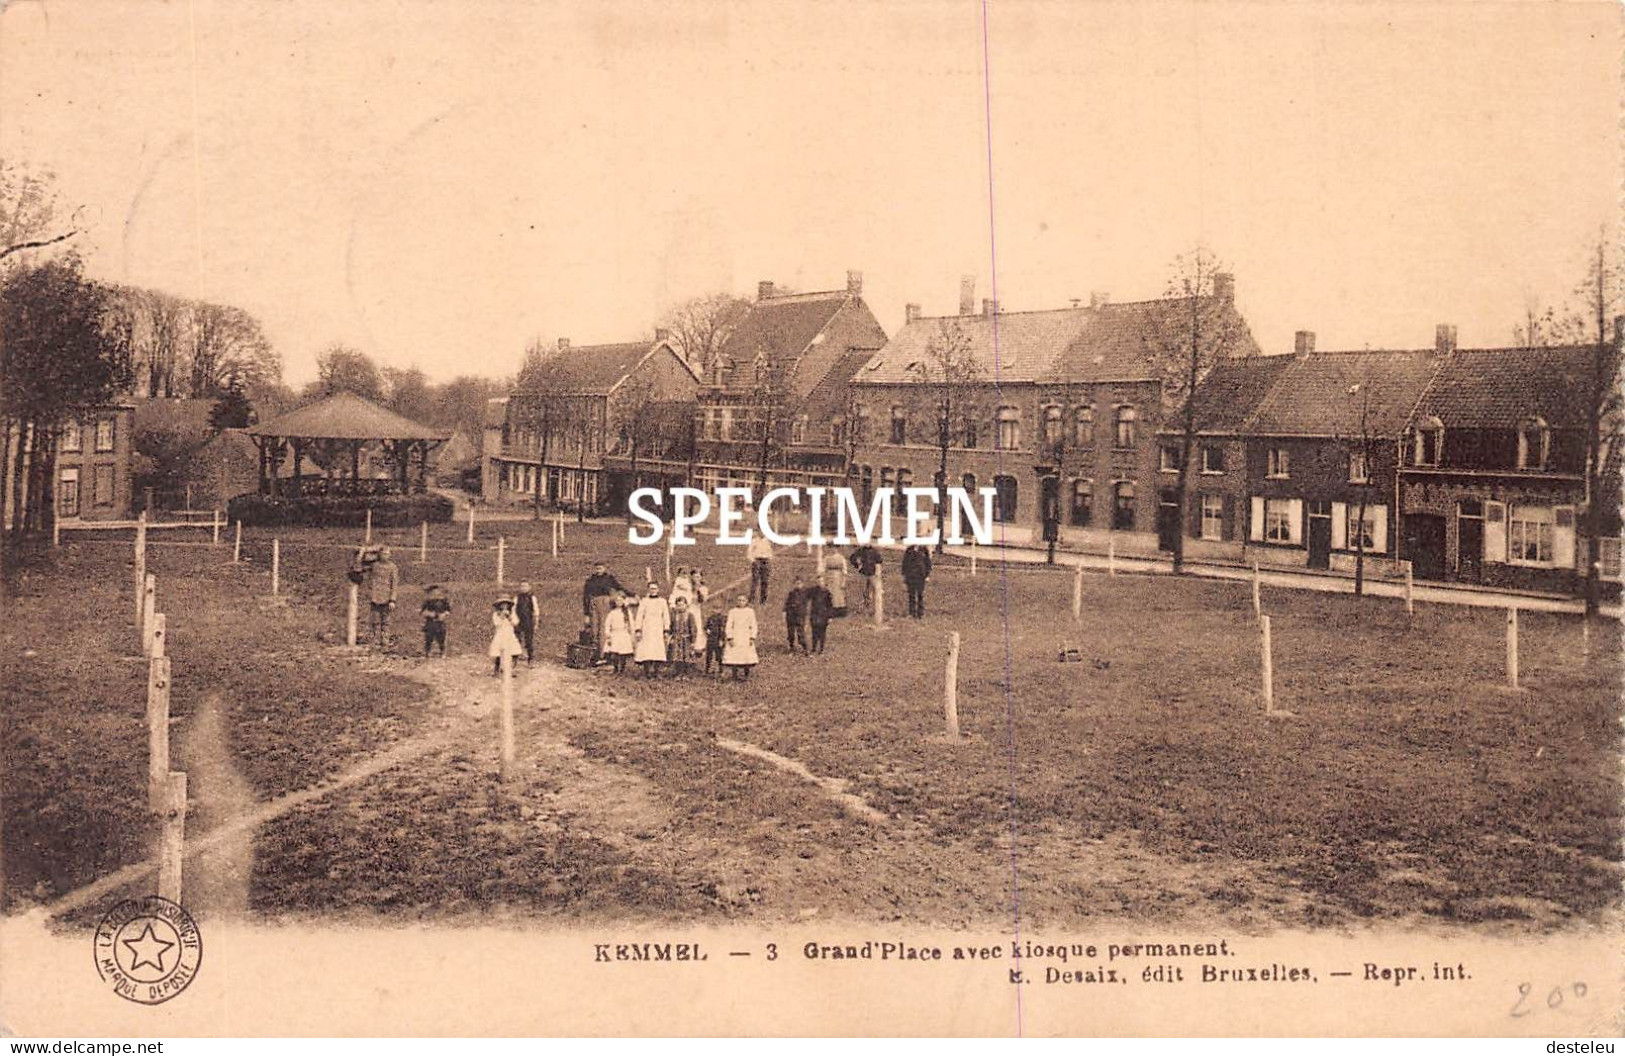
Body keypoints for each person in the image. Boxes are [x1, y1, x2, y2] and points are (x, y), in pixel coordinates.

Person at [582, 562, 625, 664]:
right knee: (594, 629)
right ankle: (595, 655)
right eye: (597, 569)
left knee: (603, 629)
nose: (598, 570)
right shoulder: (591, 580)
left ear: (604, 568)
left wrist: (632, 594)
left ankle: (605, 655)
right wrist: (586, 614)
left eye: (600, 568)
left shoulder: (609, 578)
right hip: (594, 605)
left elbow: (620, 588)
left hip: (605, 604)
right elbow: (585, 596)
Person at [631, 581, 670, 678]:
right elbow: (639, 616)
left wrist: (666, 629)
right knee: (646, 650)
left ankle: (657, 672)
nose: (653, 591)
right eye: (651, 588)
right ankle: (647, 672)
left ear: (658, 590)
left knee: (657, 650)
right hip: (647, 628)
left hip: (658, 628)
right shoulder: (644, 601)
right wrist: (638, 629)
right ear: (648, 589)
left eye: (655, 588)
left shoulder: (662, 601)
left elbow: (666, 616)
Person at [365, 546, 400, 647]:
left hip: (386, 598)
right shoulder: (375, 566)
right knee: (374, 620)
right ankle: (374, 640)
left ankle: (385, 640)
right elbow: (366, 562)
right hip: (375, 597)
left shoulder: (393, 567)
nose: (385, 556)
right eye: (383, 554)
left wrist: (392, 600)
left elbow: (394, 585)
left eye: (387, 554)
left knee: (386, 621)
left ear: (390, 555)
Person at [722, 595, 759, 681]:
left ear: (746, 602)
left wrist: (752, 637)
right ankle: (734, 675)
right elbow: (729, 625)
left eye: (743, 600)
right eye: (739, 600)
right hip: (736, 635)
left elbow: (753, 625)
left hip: (745, 636)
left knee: (746, 656)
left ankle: (746, 674)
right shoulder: (732, 612)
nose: (741, 602)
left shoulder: (750, 612)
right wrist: (730, 637)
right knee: (734, 655)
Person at [667, 595, 705, 678]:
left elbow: (693, 629)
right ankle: (678, 673)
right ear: (676, 606)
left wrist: (693, 641)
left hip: (686, 639)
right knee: (677, 657)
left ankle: (686, 674)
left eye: (682, 605)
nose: (680, 607)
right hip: (677, 639)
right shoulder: (674, 616)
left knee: (686, 657)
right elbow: (671, 627)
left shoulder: (690, 615)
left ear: (686, 605)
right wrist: (671, 637)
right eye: (678, 605)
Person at [488, 597, 523, 676]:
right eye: (502, 604)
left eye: (506, 604)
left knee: (515, 652)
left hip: (509, 634)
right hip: (500, 634)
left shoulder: (512, 613)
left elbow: (516, 622)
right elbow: (497, 623)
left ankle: (510, 669)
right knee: (498, 653)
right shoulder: (496, 614)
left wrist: (509, 617)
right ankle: (496, 671)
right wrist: (502, 616)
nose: (504, 606)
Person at [601, 595, 635, 674]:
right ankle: (616, 668)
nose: (619, 602)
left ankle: (622, 669)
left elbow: (632, 623)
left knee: (623, 653)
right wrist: (608, 634)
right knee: (614, 653)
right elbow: (607, 624)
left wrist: (632, 633)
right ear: (615, 602)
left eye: (621, 600)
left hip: (624, 634)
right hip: (615, 634)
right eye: (617, 600)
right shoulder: (612, 613)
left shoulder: (627, 612)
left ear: (623, 601)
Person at [419, 584, 452, 658]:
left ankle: (442, 651)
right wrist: (430, 614)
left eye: (438, 593)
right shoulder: (428, 602)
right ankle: (428, 651)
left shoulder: (444, 602)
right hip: (430, 622)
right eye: (433, 593)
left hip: (440, 623)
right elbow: (422, 611)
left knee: (441, 638)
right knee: (429, 638)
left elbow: (448, 611)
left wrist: (444, 615)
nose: (436, 595)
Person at [849, 543, 882, 614]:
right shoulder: (860, 551)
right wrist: (857, 565)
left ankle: (874, 608)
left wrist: (877, 573)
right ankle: (864, 608)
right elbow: (852, 558)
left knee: (874, 591)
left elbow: (879, 561)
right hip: (863, 574)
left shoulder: (874, 551)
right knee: (864, 591)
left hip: (872, 574)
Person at [902, 544, 933, 619]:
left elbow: (928, 563)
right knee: (911, 595)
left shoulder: (924, 549)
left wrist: (927, 575)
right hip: (911, 575)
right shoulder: (909, 550)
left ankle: (920, 613)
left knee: (920, 594)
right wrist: (904, 575)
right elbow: (905, 563)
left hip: (921, 575)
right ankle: (911, 612)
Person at [782, 576, 810, 655]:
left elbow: (806, 606)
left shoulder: (805, 593)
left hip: (800, 615)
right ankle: (791, 648)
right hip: (791, 615)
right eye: (796, 583)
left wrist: (806, 615)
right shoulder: (791, 593)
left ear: (802, 584)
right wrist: (784, 612)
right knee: (790, 632)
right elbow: (786, 604)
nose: (798, 585)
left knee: (801, 632)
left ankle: (805, 648)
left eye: (799, 583)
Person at [807, 579, 834, 654]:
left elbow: (830, 606)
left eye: (822, 581)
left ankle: (821, 649)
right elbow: (806, 595)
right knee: (814, 633)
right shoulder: (814, 591)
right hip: (815, 615)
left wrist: (830, 617)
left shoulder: (827, 593)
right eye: (818, 581)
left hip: (823, 616)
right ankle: (814, 648)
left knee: (822, 633)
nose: (820, 583)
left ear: (824, 583)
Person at [514, 581, 538, 663]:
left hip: (528, 621)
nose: (523, 588)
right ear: (519, 588)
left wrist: (536, 622)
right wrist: (514, 620)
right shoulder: (517, 598)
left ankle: (530, 658)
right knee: (516, 640)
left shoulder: (532, 598)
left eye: (525, 586)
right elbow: (513, 609)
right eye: (522, 586)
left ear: (529, 587)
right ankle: (515, 658)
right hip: (518, 621)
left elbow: (536, 610)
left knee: (529, 640)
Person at [747, 534, 773, 603]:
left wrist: (768, 560)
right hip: (757, 561)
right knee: (755, 581)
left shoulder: (767, 541)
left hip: (765, 561)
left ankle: (763, 600)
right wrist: (753, 561)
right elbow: (749, 552)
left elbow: (770, 552)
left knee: (765, 581)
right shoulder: (754, 541)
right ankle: (752, 599)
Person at [822, 547, 848, 617]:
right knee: (830, 594)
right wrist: (824, 580)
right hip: (829, 577)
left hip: (838, 578)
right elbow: (823, 569)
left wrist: (843, 582)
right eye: (831, 548)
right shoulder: (827, 558)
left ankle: (840, 612)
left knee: (839, 595)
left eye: (835, 548)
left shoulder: (841, 558)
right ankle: (830, 612)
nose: (833, 549)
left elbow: (844, 570)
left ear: (837, 549)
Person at [702, 608, 727, 675]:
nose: (716, 611)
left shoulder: (722, 618)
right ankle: (707, 669)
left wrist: (721, 639)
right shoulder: (710, 618)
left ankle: (720, 670)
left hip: (718, 639)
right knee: (709, 655)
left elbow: (723, 630)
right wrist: (707, 630)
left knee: (719, 655)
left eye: (718, 609)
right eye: (715, 609)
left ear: (721, 610)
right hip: (710, 639)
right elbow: (706, 627)